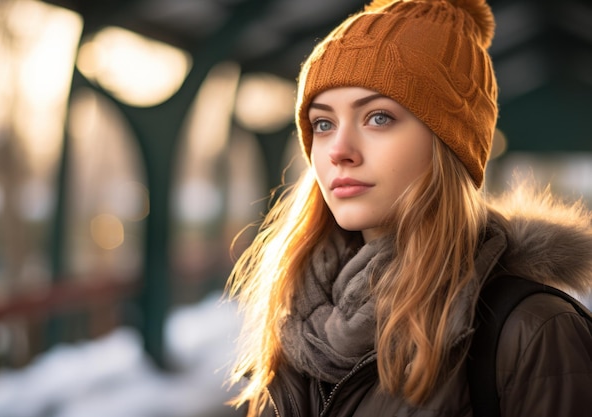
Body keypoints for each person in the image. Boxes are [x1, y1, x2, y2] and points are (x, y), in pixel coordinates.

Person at [225, 0, 592, 416]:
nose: (338, 151)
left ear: (449, 145)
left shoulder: (533, 331)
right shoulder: (294, 320)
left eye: (378, 118)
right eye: (323, 123)